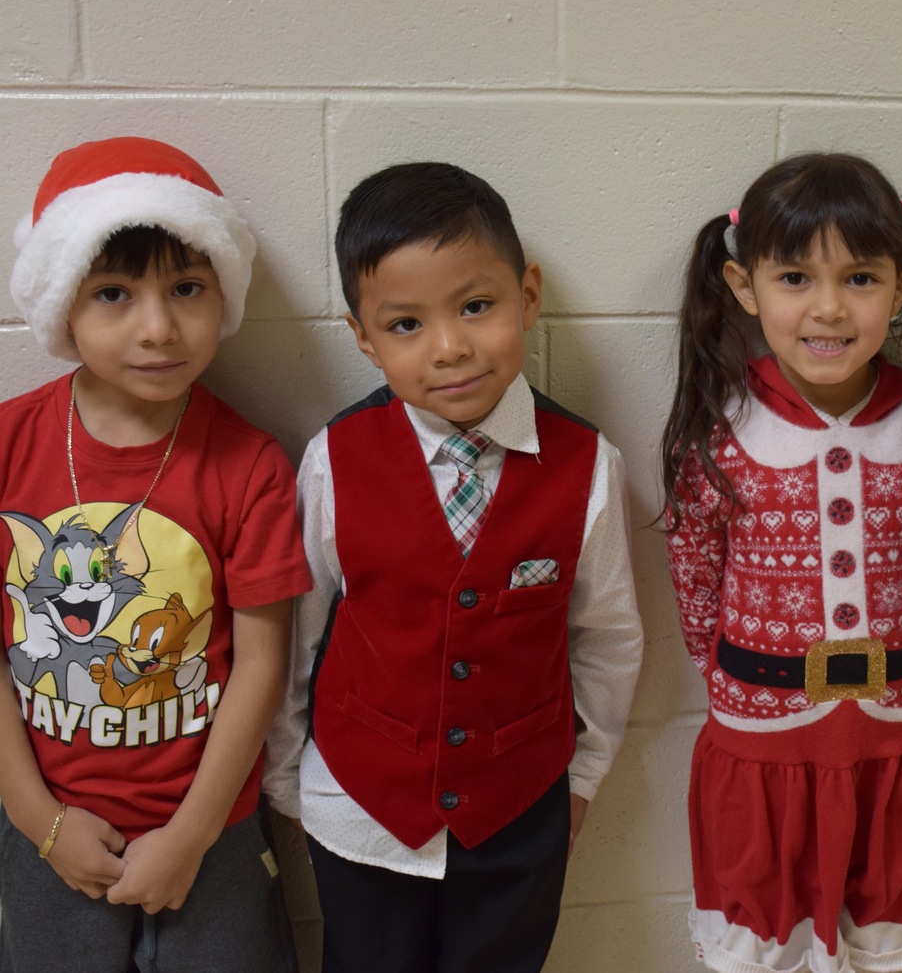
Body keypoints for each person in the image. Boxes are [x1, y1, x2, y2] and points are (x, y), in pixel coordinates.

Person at [0, 136, 310, 971]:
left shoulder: (252, 464)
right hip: (51, 826)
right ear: (63, 305)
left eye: (187, 289)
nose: (158, 328)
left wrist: (194, 834)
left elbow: (261, 664)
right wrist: (37, 820)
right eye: (114, 294)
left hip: (215, 829)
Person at [263, 161, 644, 973]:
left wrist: (581, 780)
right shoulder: (334, 460)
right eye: (405, 325)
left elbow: (608, 638)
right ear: (362, 336)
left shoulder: (590, 467)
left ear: (527, 297)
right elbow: (297, 634)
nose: (450, 347)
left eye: (477, 306)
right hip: (360, 814)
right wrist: (288, 780)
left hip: (520, 818)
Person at [661, 152, 902, 973]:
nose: (829, 308)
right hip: (759, 750)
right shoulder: (719, 435)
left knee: (883, 948)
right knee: (759, 951)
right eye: (796, 278)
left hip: (894, 744)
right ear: (744, 288)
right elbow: (697, 584)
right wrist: (743, 684)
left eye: (862, 279)